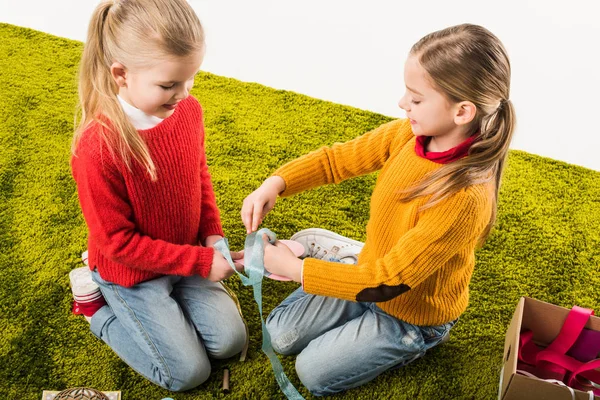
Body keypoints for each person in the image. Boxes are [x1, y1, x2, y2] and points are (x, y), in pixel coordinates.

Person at [241, 23, 515, 396]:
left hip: (410, 313)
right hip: (374, 273)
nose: (403, 103)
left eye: (416, 99)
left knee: (313, 373)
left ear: (462, 111)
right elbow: (337, 160)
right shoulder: (409, 134)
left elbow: (387, 282)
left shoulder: (465, 198)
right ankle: (351, 259)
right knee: (280, 334)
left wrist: (292, 268)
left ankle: (415, 337)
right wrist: (276, 183)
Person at [69, 0, 246, 391]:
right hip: (130, 273)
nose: (183, 94)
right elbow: (117, 243)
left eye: (191, 79)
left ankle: (171, 312)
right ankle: (96, 309)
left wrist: (211, 234)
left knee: (231, 343)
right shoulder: (98, 148)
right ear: (121, 75)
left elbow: (197, 174)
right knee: (187, 375)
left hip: (184, 255)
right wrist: (201, 262)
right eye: (169, 85)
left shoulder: (188, 111)